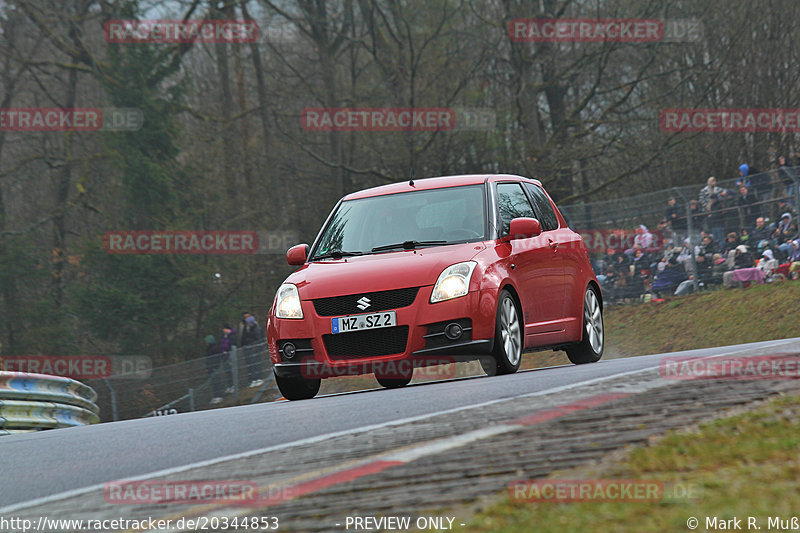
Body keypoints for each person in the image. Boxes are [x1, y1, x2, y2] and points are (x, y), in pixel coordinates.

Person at [240, 314, 265, 388]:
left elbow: (258, 339)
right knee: (252, 365)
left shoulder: (256, 329)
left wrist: (256, 347)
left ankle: (259, 378)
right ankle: (254, 379)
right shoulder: (249, 329)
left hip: (255, 350)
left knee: (257, 364)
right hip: (251, 350)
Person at [204, 335, 224, 405]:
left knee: (217, 381)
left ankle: (219, 395)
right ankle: (215, 396)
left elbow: (217, 358)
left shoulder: (215, 348)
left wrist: (215, 366)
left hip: (215, 367)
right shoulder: (209, 348)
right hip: (211, 368)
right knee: (214, 382)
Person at [219, 324, 237, 394]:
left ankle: (233, 385)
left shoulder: (232, 336)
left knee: (231, 371)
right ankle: (229, 385)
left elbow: (232, 344)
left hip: (230, 355)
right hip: (225, 356)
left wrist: (227, 350)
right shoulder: (224, 336)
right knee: (227, 372)